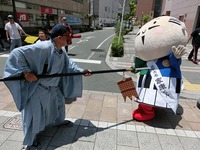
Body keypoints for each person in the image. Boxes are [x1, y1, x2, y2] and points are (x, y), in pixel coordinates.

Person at [4, 24, 91, 149]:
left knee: (59, 103)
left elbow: (70, 66)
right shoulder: (43, 47)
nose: (69, 39)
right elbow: (16, 54)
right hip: (38, 89)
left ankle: (59, 121)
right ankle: (31, 141)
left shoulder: (62, 51)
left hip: (53, 88)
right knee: (34, 115)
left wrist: (82, 71)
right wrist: (26, 72)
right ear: (60, 37)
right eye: (67, 36)